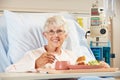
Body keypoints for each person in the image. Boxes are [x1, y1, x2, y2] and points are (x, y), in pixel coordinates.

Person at [5, 15, 110, 80]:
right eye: (51, 31)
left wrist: (100, 66)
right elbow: (9, 71)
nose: (55, 35)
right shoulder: (34, 55)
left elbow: (85, 70)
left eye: (59, 31)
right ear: (45, 35)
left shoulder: (71, 56)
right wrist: (36, 64)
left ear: (65, 35)